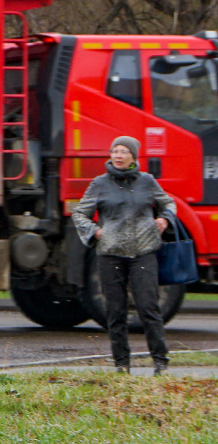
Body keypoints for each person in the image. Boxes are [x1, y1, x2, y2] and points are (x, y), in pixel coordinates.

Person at [71, 135, 175, 375]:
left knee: (148, 308)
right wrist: (95, 232)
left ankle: (160, 362)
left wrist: (163, 219)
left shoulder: (147, 181)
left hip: (143, 253)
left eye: (123, 152)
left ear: (133, 157)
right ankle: (121, 365)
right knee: (115, 311)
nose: (117, 156)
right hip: (111, 254)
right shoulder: (99, 183)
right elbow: (79, 214)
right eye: (114, 151)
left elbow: (168, 203)